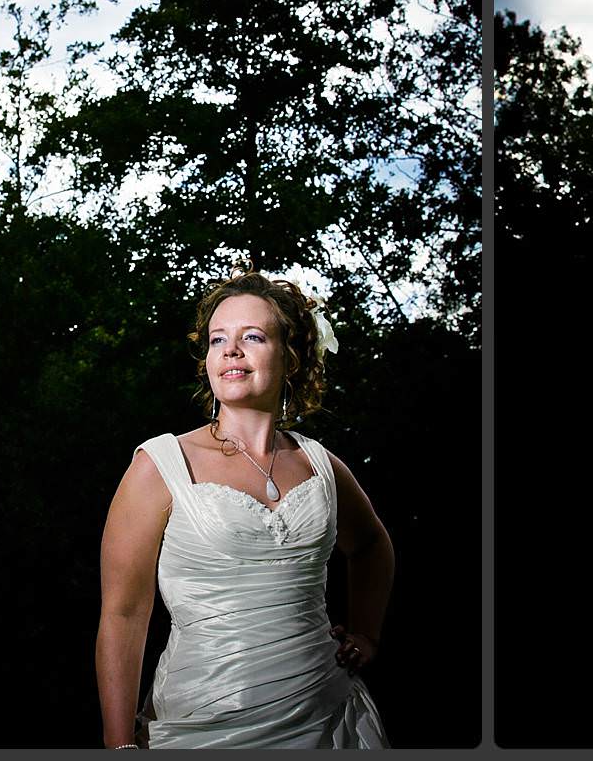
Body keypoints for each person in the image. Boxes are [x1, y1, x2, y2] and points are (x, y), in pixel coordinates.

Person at [96, 270, 394, 748]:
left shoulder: (320, 464)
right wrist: (119, 744)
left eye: (251, 336)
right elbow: (125, 613)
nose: (230, 350)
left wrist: (367, 633)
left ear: (291, 356)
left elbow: (373, 545)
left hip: (330, 716)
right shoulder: (160, 465)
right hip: (205, 723)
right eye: (218, 339)